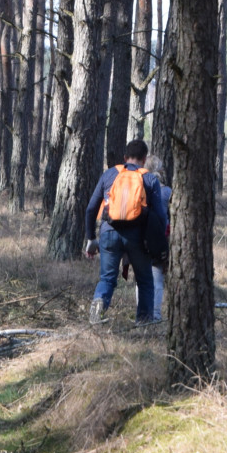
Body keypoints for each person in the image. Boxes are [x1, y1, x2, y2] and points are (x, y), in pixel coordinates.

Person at [84, 139, 167, 326]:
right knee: (145, 279)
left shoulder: (110, 174)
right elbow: (160, 216)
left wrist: (91, 238)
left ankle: (97, 310)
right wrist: (158, 243)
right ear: (144, 159)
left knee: (107, 278)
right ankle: (144, 322)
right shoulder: (150, 179)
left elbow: (91, 209)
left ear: (124, 157)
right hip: (137, 238)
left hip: (108, 234)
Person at [140, 155, 172, 321]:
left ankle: (143, 314)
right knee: (157, 276)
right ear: (160, 170)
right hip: (160, 237)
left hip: (140, 235)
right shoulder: (166, 191)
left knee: (141, 276)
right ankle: (156, 315)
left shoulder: (141, 188)